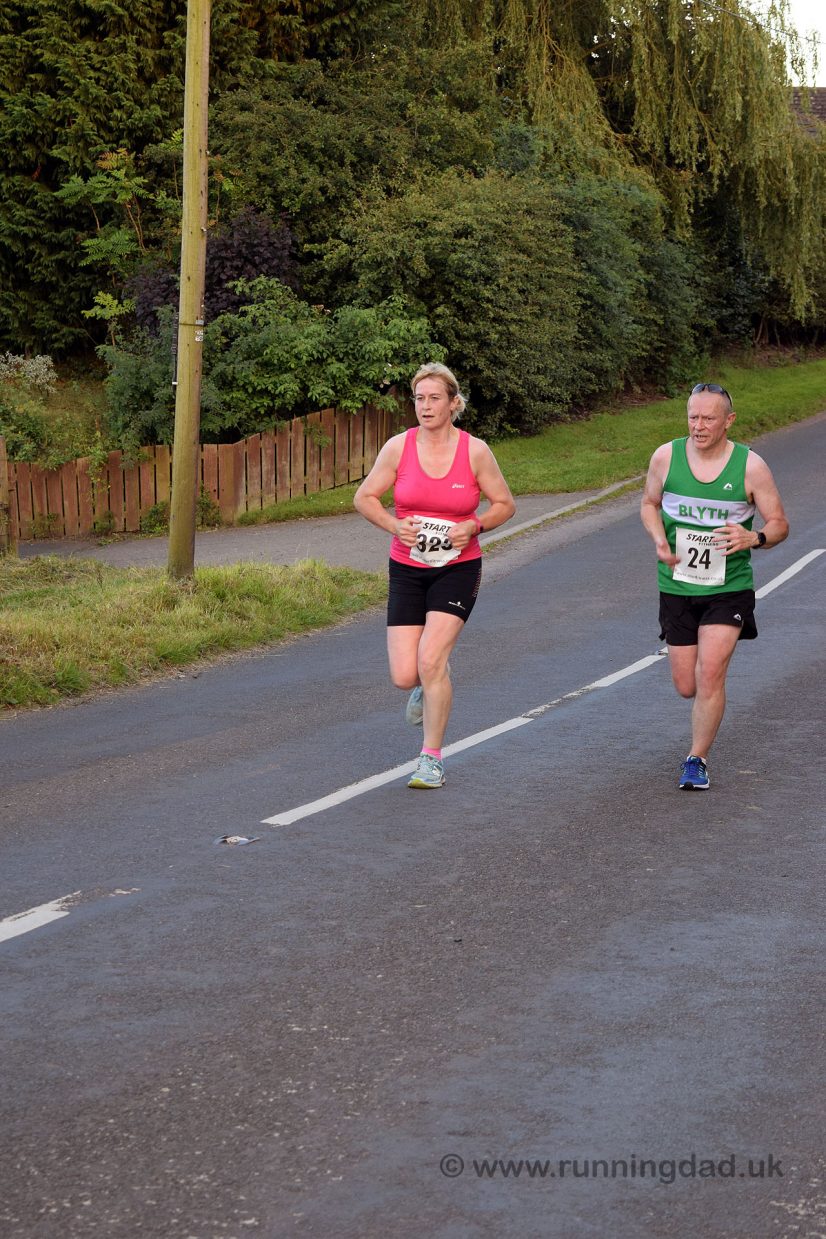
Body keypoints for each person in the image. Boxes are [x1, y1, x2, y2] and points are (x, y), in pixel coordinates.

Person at [354, 362, 515, 789]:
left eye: (434, 398)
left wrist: (474, 525)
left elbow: (504, 504)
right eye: (419, 398)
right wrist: (394, 525)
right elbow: (365, 496)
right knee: (406, 675)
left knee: (431, 659)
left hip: (458, 569)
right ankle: (429, 682)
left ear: (453, 403)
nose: (425, 406)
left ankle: (430, 759)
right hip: (407, 567)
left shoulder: (475, 451)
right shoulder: (398, 447)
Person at [641, 382, 789, 790]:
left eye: (708, 418)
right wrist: (658, 538)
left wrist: (753, 538)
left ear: (729, 421)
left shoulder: (750, 466)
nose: (699, 426)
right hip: (677, 584)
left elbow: (779, 524)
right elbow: (649, 503)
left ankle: (697, 759)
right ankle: (690, 652)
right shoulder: (666, 456)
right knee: (685, 684)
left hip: (729, 585)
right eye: (693, 417)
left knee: (710, 675)